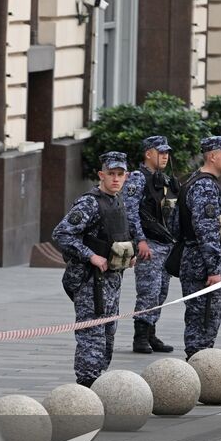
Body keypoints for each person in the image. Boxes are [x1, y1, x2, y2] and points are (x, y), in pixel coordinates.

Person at [52, 152, 137, 386]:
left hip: (112, 280)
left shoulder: (118, 201)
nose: (116, 179)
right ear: (101, 175)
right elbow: (61, 233)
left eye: (120, 174)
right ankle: (87, 385)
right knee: (92, 335)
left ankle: (99, 381)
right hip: (91, 282)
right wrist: (91, 256)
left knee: (108, 333)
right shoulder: (90, 202)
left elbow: (120, 235)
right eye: (111, 174)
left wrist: (130, 256)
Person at [176, 136, 221, 358]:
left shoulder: (193, 181)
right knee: (205, 320)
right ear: (212, 156)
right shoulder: (205, 187)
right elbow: (207, 231)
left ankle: (197, 363)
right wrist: (214, 269)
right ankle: (198, 364)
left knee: (198, 317)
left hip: (193, 259)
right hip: (202, 265)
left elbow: (176, 225)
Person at [121, 135, 176, 353]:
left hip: (164, 243)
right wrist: (140, 240)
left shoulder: (160, 178)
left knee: (161, 292)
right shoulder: (138, 178)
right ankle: (140, 337)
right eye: (161, 152)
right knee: (148, 292)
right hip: (149, 244)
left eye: (166, 153)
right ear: (148, 154)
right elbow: (130, 211)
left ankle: (151, 332)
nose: (165, 156)